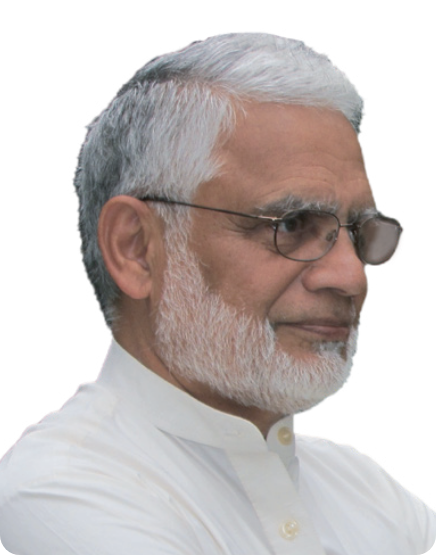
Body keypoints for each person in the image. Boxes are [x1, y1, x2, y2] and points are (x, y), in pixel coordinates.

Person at [0, 31, 434, 555]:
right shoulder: (55, 495)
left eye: (360, 231)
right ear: (136, 249)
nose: (351, 277)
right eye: (292, 224)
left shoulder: (366, 491)